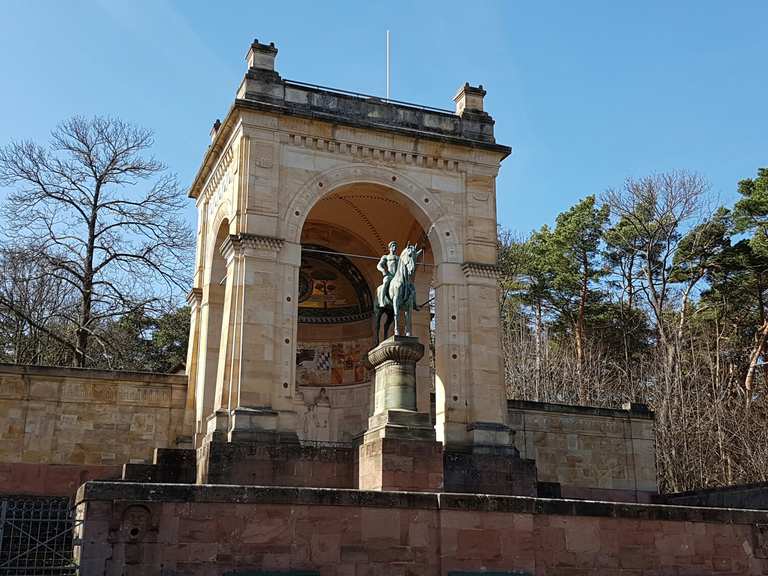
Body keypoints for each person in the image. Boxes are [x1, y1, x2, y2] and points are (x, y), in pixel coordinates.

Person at [377, 240, 399, 308]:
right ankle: (381, 301)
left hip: (397, 277)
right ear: (389, 248)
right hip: (389, 275)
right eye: (393, 246)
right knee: (386, 282)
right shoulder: (385, 257)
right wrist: (383, 270)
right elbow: (379, 265)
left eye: (395, 246)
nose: (394, 247)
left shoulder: (399, 258)